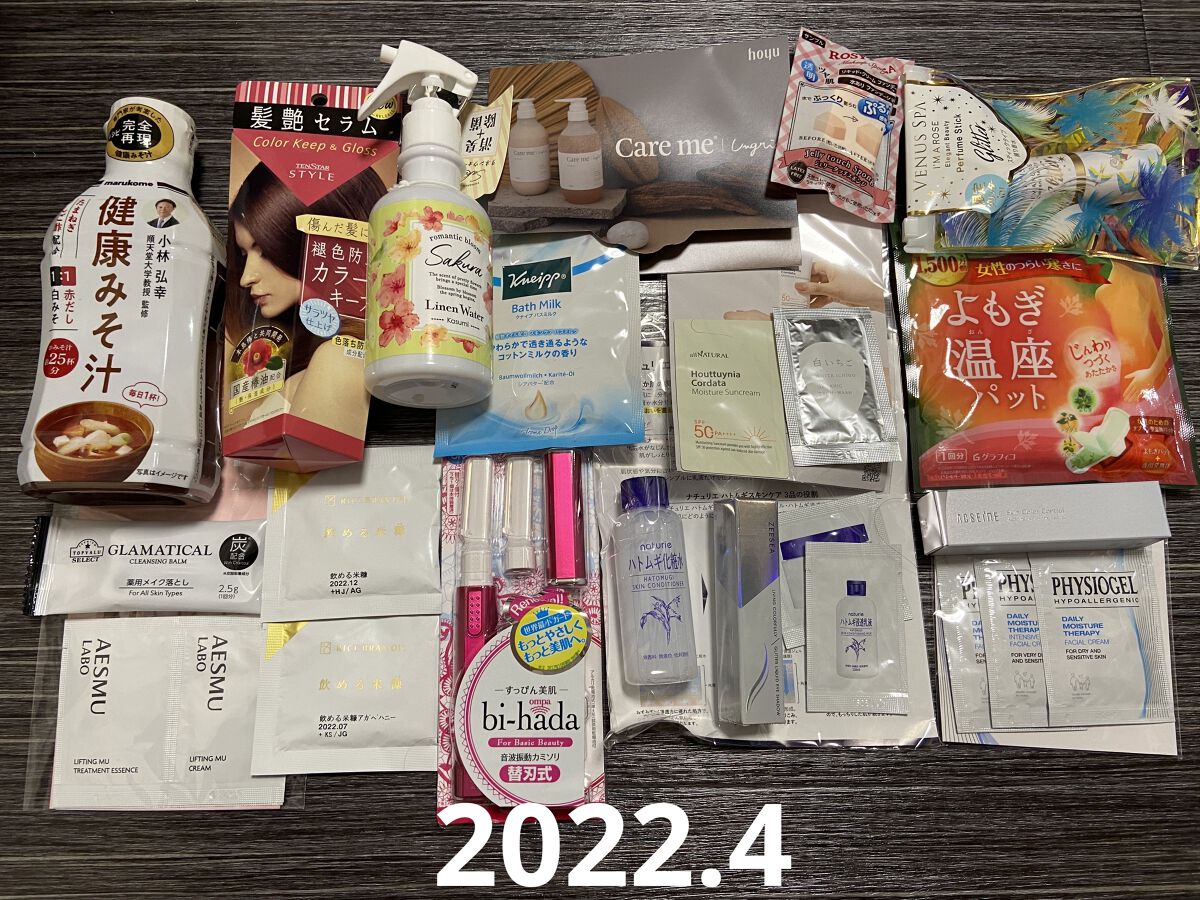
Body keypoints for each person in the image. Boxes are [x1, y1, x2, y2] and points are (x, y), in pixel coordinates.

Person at [224, 163, 387, 433]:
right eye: (244, 255)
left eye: (264, 251)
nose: (246, 278)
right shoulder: (310, 349)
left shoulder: (338, 358)